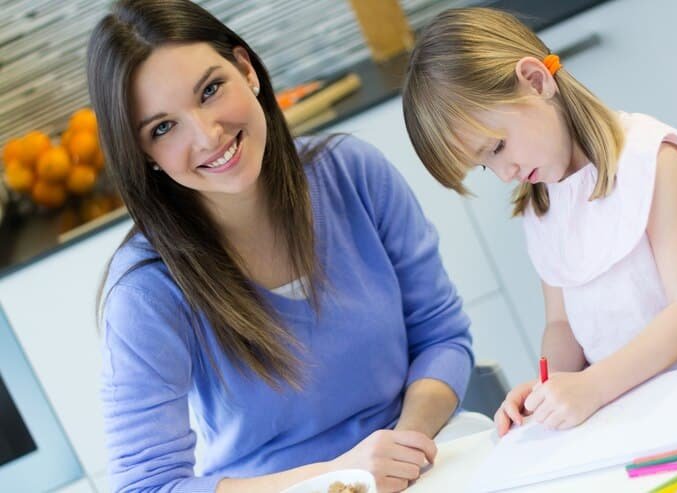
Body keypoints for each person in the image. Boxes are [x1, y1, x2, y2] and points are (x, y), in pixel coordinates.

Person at [89, 1, 479, 491]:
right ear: (142, 153)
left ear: (246, 69)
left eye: (211, 90)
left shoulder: (352, 172)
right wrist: (344, 476)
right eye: (163, 127)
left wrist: (402, 447)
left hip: (420, 465)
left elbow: (441, 335)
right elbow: (145, 486)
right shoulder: (146, 292)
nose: (208, 136)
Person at [402, 7, 677, 437]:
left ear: (537, 81)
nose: (504, 172)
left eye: (498, 146)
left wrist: (591, 386)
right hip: (635, 407)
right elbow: (562, 326)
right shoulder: (541, 203)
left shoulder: (652, 160)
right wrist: (549, 388)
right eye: (485, 164)